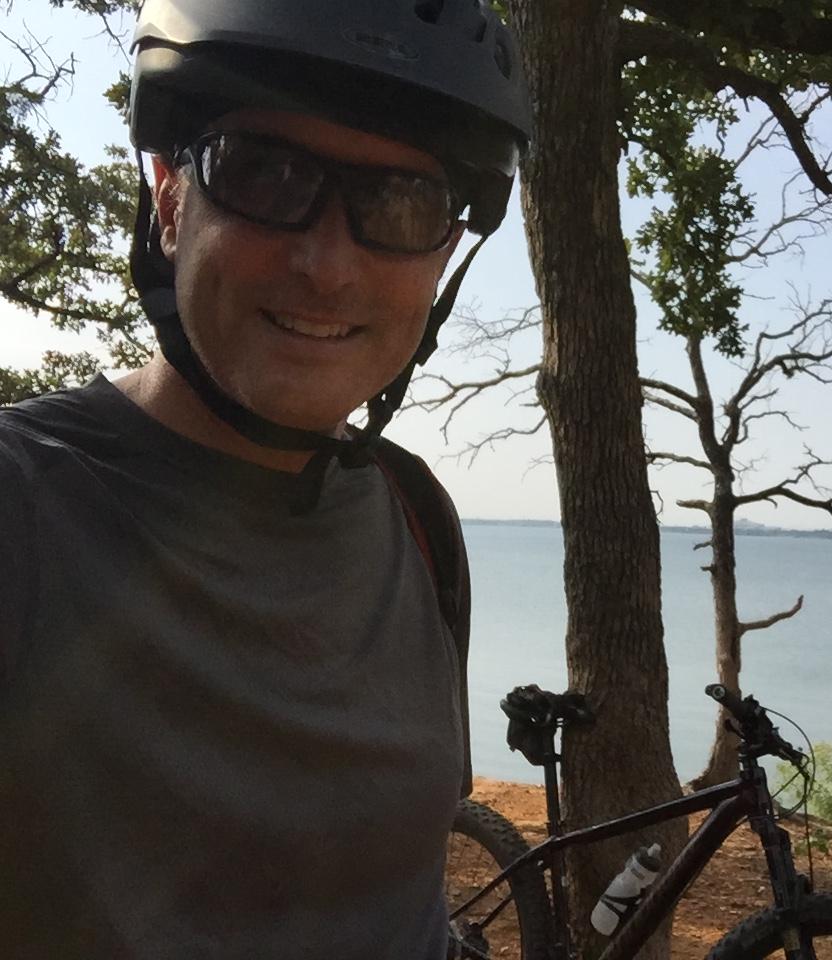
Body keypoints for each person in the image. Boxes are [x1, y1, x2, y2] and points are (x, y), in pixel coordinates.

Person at [0, 0, 531, 956]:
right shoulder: (24, 508)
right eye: (266, 173)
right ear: (169, 201)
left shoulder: (416, 521)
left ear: (444, 252)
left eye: (401, 203)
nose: (328, 266)